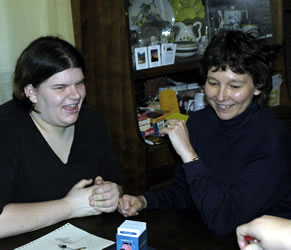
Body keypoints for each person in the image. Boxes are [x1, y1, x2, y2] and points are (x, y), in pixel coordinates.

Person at [118, 30, 291, 236]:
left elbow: (224, 221)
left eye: (234, 86)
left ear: (258, 86)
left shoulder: (272, 139)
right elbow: (185, 193)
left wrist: (189, 155)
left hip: (261, 241)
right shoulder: (199, 122)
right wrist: (144, 200)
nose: (220, 96)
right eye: (213, 83)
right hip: (210, 235)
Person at [0, 36, 123, 238]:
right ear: (31, 92)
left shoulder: (91, 121)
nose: (75, 95)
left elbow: (115, 182)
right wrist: (69, 206)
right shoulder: (5, 130)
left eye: (80, 83)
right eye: (60, 87)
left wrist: (111, 193)